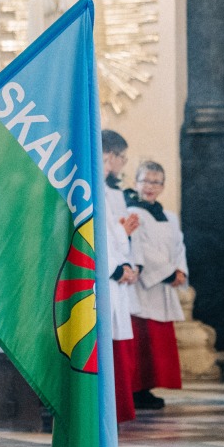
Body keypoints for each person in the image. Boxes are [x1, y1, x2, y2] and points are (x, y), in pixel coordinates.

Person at [126, 160, 188, 409]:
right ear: (135, 183)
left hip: (163, 288)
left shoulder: (170, 217)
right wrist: (168, 273)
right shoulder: (131, 212)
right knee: (141, 339)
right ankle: (136, 390)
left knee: (157, 343)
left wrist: (180, 270)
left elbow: (179, 246)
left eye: (156, 182)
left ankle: (147, 388)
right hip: (144, 287)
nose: (150, 187)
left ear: (162, 186)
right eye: (145, 181)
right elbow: (141, 249)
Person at [102, 129, 140, 423]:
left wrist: (127, 266)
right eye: (121, 157)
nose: (121, 163)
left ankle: (117, 406)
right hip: (102, 276)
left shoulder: (111, 191)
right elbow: (95, 232)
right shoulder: (93, 188)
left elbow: (113, 232)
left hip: (115, 272)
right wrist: (117, 267)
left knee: (116, 344)